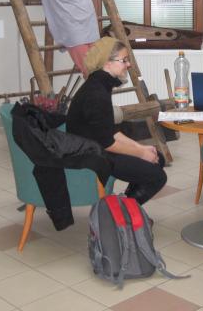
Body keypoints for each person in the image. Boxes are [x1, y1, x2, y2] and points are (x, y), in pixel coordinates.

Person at [66, 37, 167, 205]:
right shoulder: (96, 93)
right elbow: (107, 143)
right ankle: (125, 209)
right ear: (107, 63)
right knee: (157, 176)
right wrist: (141, 154)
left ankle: (127, 202)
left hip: (97, 146)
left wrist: (140, 148)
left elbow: (110, 131)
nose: (128, 64)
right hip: (89, 155)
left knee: (158, 158)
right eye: (124, 60)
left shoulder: (100, 84)